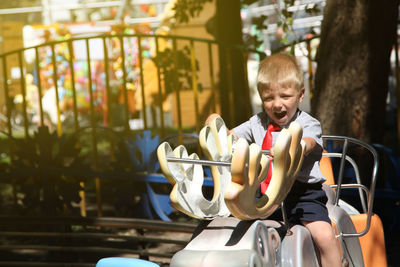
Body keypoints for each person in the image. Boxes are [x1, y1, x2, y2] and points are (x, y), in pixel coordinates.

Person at [206, 53, 341, 267]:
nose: (277, 104)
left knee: (323, 235)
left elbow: (311, 142)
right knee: (240, 231)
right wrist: (218, 137)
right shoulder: (257, 123)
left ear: (300, 95)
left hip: (302, 194)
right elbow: (232, 135)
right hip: (265, 195)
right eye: (268, 98)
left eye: (285, 96)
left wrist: (300, 147)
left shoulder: (308, 123)